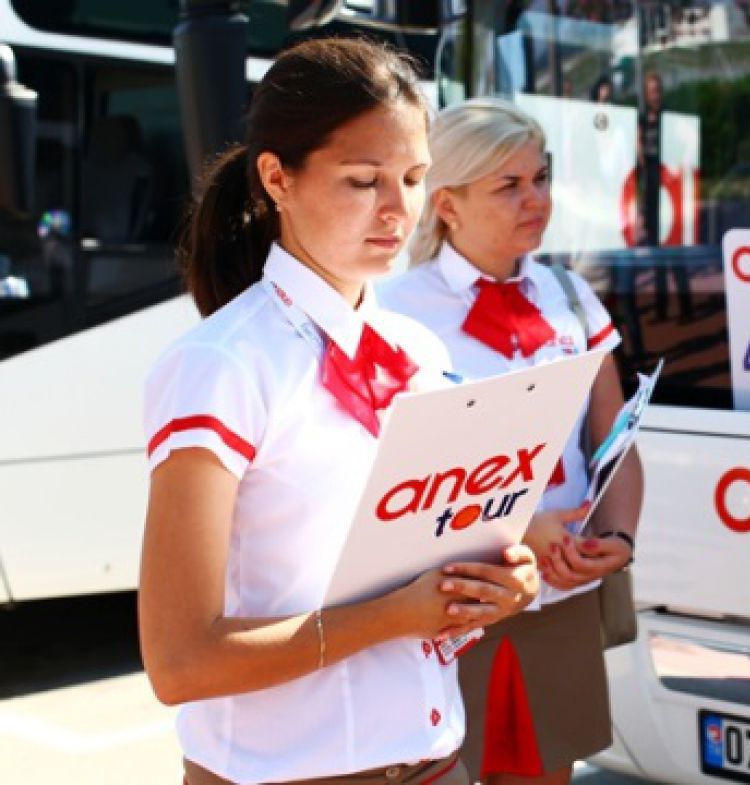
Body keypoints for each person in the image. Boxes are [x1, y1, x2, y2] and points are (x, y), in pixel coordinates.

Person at [138, 39, 539, 785]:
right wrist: (397, 615)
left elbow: (436, 555)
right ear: (276, 178)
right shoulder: (222, 364)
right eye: (363, 181)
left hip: (437, 762)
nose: (398, 210)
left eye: (414, 178)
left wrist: (497, 581)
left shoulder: (420, 350)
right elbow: (180, 661)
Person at [381, 97, 645, 785]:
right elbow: (386, 478)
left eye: (541, 178)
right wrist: (521, 527)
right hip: (444, 604)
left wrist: (617, 539)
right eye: (509, 185)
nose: (537, 199)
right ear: (447, 204)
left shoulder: (571, 295)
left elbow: (614, 439)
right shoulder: (393, 311)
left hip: (559, 598)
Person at [637, 70, 693, 322]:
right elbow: (638, 158)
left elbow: (684, 149)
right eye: (650, 92)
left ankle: (686, 308)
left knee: (675, 254)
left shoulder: (670, 118)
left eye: (657, 90)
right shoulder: (641, 120)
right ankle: (661, 310)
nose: (654, 95)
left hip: (669, 189)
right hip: (651, 190)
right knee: (656, 255)